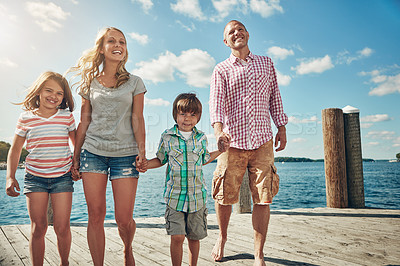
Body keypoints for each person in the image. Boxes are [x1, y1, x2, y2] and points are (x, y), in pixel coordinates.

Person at [209, 20, 288, 266]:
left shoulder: (266, 63)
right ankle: (222, 237)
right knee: (223, 195)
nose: (236, 33)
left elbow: (275, 95)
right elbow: (216, 104)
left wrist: (281, 126)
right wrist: (219, 132)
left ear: (248, 34)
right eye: (231, 32)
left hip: (263, 140)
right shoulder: (221, 69)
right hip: (231, 142)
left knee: (263, 197)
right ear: (226, 41)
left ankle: (259, 253)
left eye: (240, 29)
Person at [69, 27, 146, 266]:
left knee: (124, 219)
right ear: (101, 48)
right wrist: (76, 157)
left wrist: (142, 152)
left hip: (125, 156)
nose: (118, 45)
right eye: (111, 41)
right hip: (92, 154)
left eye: (122, 41)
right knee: (96, 215)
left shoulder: (135, 82)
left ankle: (127, 249)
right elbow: (84, 121)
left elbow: (137, 118)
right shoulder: (89, 83)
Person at [136, 93, 229, 266]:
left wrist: (221, 151)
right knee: (177, 237)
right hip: (175, 198)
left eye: (193, 114)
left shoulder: (201, 138)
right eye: (183, 114)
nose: (187, 118)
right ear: (175, 115)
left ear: (199, 117)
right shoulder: (167, 136)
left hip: (197, 198)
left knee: (194, 238)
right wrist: (145, 165)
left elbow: (204, 158)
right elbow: (161, 159)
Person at [5, 71, 77, 266]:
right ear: (38, 91)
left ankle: (64, 263)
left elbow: (76, 145)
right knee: (39, 227)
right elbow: (15, 149)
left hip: (62, 177)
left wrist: (76, 165)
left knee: (62, 227)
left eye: (59, 93)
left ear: (64, 97)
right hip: (35, 178)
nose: (53, 96)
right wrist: (10, 177)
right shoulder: (26, 118)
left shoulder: (66, 117)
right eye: (48, 90)